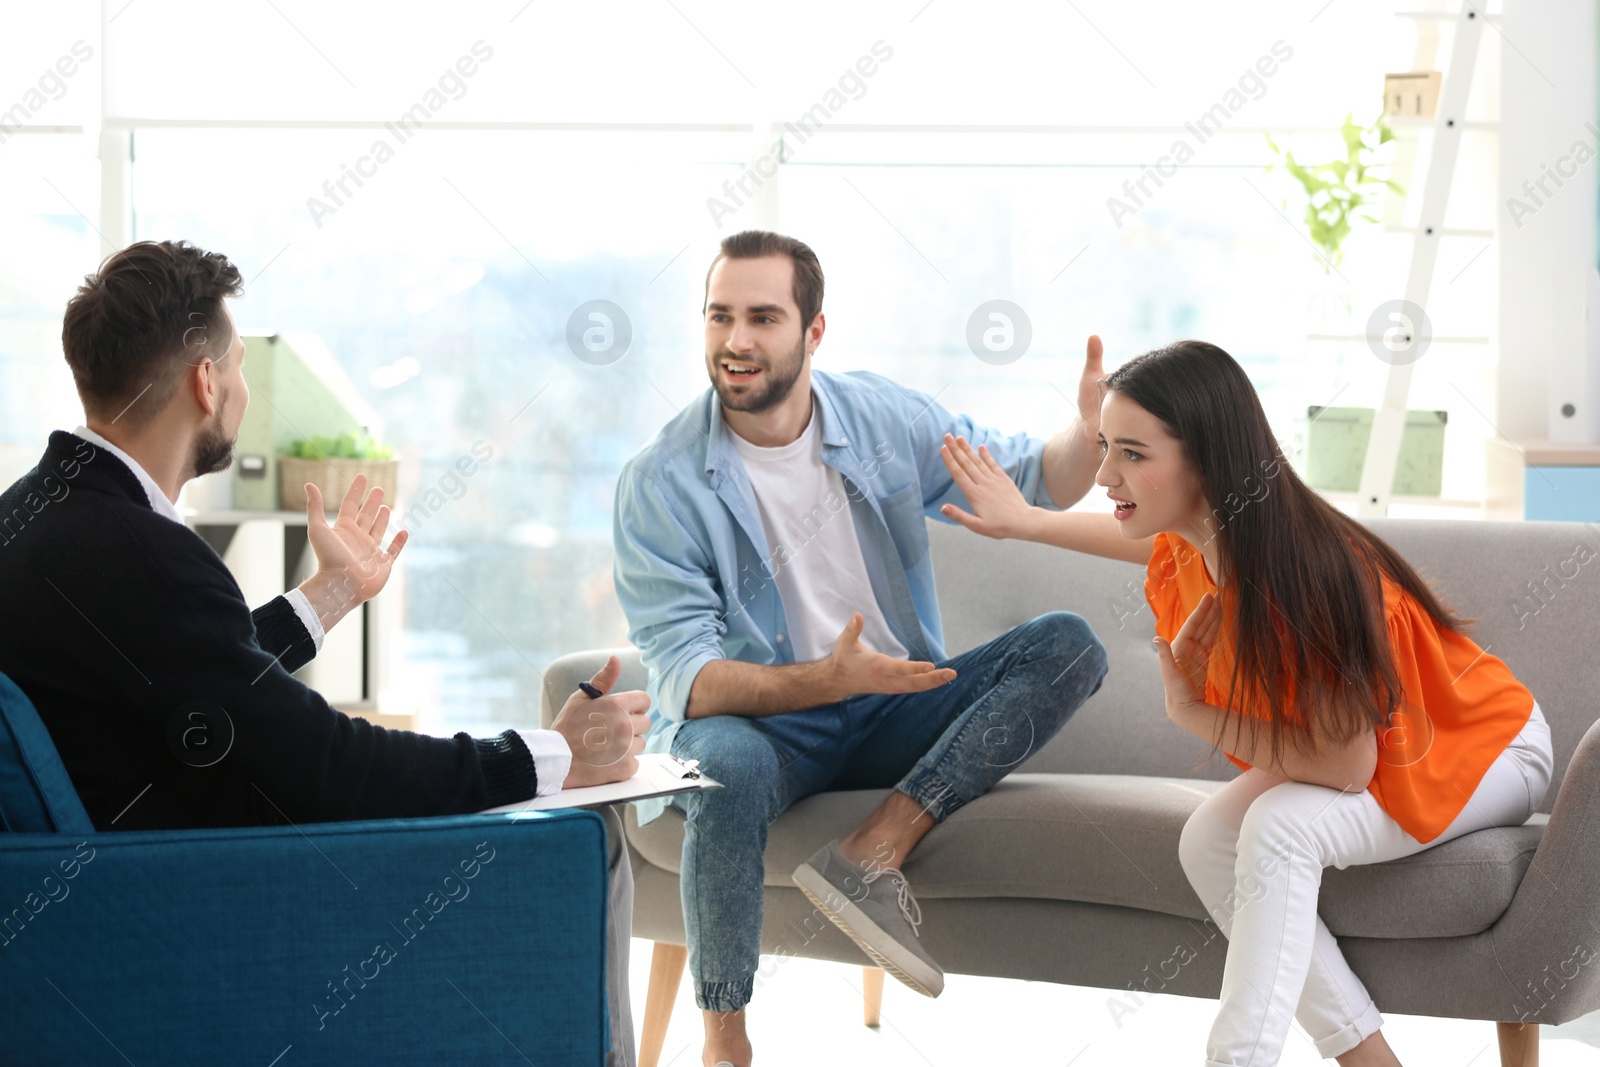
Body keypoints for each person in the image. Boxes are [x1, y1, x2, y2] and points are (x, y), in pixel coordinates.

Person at [0, 240, 650, 1067]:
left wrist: (326, 597)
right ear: (205, 384)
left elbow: (187, 681)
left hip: (124, 885)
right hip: (214, 902)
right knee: (590, 836)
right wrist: (553, 755)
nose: (239, 387)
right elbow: (330, 763)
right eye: (236, 366)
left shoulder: (41, 516)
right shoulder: (141, 552)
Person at [937, 338, 1554, 1067]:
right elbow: (1126, 536)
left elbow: (1349, 768)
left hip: (1482, 748)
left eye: (1132, 452)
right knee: (1208, 838)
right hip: (1366, 744)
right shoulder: (1199, 539)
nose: (1105, 474)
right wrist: (1029, 521)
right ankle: (1370, 1058)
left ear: (1208, 461)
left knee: (1280, 829)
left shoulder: (1305, 576)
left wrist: (1192, 711)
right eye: (1106, 446)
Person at [612, 229, 1111, 1067]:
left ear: (813, 333)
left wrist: (1091, 432)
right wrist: (822, 680)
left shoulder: (882, 417)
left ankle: (872, 849)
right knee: (721, 762)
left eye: (764, 317)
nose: (737, 341)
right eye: (720, 316)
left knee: (1069, 646)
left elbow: (1033, 480)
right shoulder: (660, 482)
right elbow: (689, 682)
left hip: (896, 706)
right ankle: (724, 1041)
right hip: (763, 731)